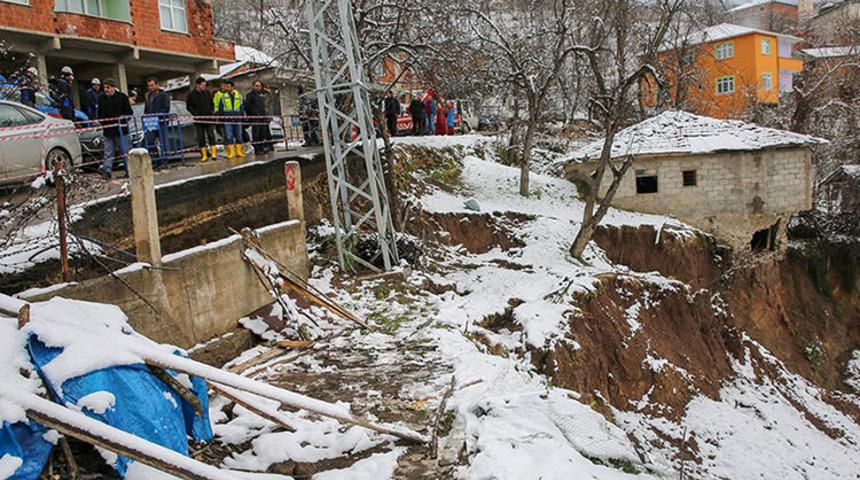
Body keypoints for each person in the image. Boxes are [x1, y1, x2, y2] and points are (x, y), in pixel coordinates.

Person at [96, 78, 133, 179]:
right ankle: (107, 170)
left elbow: (129, 113)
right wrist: (103, 122)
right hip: (108, 131)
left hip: (121, 131)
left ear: (113, 87)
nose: (106, 90)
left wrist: (122, 120)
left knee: (125, 151)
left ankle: (129, 170)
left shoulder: (122, 97)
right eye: (104, 88)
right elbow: (99, 113)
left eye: (108, 87)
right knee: (108, 152)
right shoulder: (101, 99)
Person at [186, 77, 217, 162]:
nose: (204, 87)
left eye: (205, 85)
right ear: (197, 85)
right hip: (198, 120)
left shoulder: (207, 93)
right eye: (203, 85)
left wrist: (211, 111)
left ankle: (214, 153)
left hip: (208, 118)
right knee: (201, 137)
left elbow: (212, 104)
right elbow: (189, 107)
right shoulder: (191, 95)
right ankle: (204, 155)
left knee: (211, 136)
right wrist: (195, 113)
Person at [213, 79, 245, 159]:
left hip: (237, 119)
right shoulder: (223, 97)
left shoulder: (239, 96)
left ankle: (239, 152)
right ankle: (231, 152)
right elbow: (220, 108)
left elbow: (241, 107)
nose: (226, 88)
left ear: (232, 87)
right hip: (228, 120)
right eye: (226, 86)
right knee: (229, 136)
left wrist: (241, 115)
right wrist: (222, 116)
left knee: (239, 136)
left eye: (228, 86)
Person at [143, 77, 171, 159]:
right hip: (151, 122)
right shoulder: (148, 96)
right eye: (149, 86)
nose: (150, 87)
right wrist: (146, 115)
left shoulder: (163, 95)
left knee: (163, 141)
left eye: (152, 85)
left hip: (161, 121)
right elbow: (147, 108)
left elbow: (166, 108)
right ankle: (156, 158)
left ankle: (165, 159)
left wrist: (157, 115)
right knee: (149, 141)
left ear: (156, 85)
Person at [245, 80, 273, 154]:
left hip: (263, 117)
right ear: (253, 86)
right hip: (255, 117)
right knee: (256, 134)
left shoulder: (262, 95)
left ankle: (262, 147)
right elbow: (247, 107)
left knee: (262, 133)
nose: (258, 87)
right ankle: (257, 149)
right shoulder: (250, 95)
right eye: (256, 85)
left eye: (259, 86)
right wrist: (251, 116)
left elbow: (265, 105)